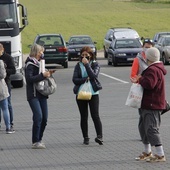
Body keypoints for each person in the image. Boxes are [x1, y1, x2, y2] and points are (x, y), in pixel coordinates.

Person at [131, 47, 166, 162]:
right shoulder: (154, 68)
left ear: (148, 57)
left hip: (152, 104)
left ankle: (160, 154)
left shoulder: (153, 70)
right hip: (146, 104)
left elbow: (150, 84)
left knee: (151, 128)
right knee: (143, 128)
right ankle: (147, 151)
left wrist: (140, 79)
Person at [25, 44, 55, 149]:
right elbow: (29, 79)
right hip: (33, 95)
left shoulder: (41, 64)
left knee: (45, 118)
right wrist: (43, 75)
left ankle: (40, 138)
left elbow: (43, 75)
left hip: (42, 93)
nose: (42, 54)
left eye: (42, 52)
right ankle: (35, 141)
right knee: (38, 117)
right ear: (35, 52)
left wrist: (48, 74)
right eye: (40, 52)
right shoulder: (30, 64)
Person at [72, 46, 103, 145]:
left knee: (95, 115)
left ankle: (100, 136)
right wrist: (84, 79)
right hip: (81, 93)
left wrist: (86, 65)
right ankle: (85, 137)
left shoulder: (95, 64)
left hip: (93, 93)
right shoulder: (78, 65)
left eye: (86, 55)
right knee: (84, 116)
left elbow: (94, 75)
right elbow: (75, 79)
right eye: (82, 55)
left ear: (91, 56)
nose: (84, 57)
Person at [130, 38, 154, 140]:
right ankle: (144, 136)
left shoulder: (155, 59)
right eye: (145, 47)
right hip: (142, 90)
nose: (147, 49)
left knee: (152, 113)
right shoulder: (138, 60)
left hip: (153, 91)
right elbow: (133, 76)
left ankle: (151, 133)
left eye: (149, 47)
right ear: (142, 47)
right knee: (143, 114)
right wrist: (140, 79)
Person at [0, 43, 16, 130]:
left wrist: (5, 71)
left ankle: (10, 122)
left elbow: (13, 70)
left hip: (6, 83)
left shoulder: (8, 58)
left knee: (8, 104)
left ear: (2, 50)